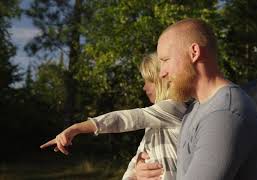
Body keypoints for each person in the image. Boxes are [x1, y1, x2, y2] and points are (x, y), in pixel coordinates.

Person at [136, 19, 257, 180]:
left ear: (194, 53)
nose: (162, 73)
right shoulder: (196, 108)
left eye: (165, 60)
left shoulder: (223, 114)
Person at [40, 53, 187, 180]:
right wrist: (134, 172)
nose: (144, 87)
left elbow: (124, 119)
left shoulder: (173, 107)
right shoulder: (155, 123)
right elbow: (137, 159)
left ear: (162, 80)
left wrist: (76, 128)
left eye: (149, 81)